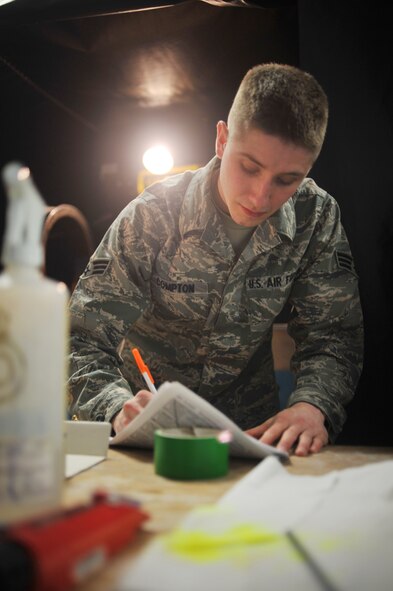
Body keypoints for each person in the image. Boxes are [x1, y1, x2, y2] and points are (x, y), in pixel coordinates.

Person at [67, 63, 363, 456]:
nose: (261, 197)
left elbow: (334, 336)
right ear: (222, 140)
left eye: (286, 179)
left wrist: (312, 406)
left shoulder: (317, 218)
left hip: (251, 438)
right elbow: (79, 339)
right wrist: (114, 407)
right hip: (145, 437)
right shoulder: (152, 217)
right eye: (249, 167)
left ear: (308, 169)